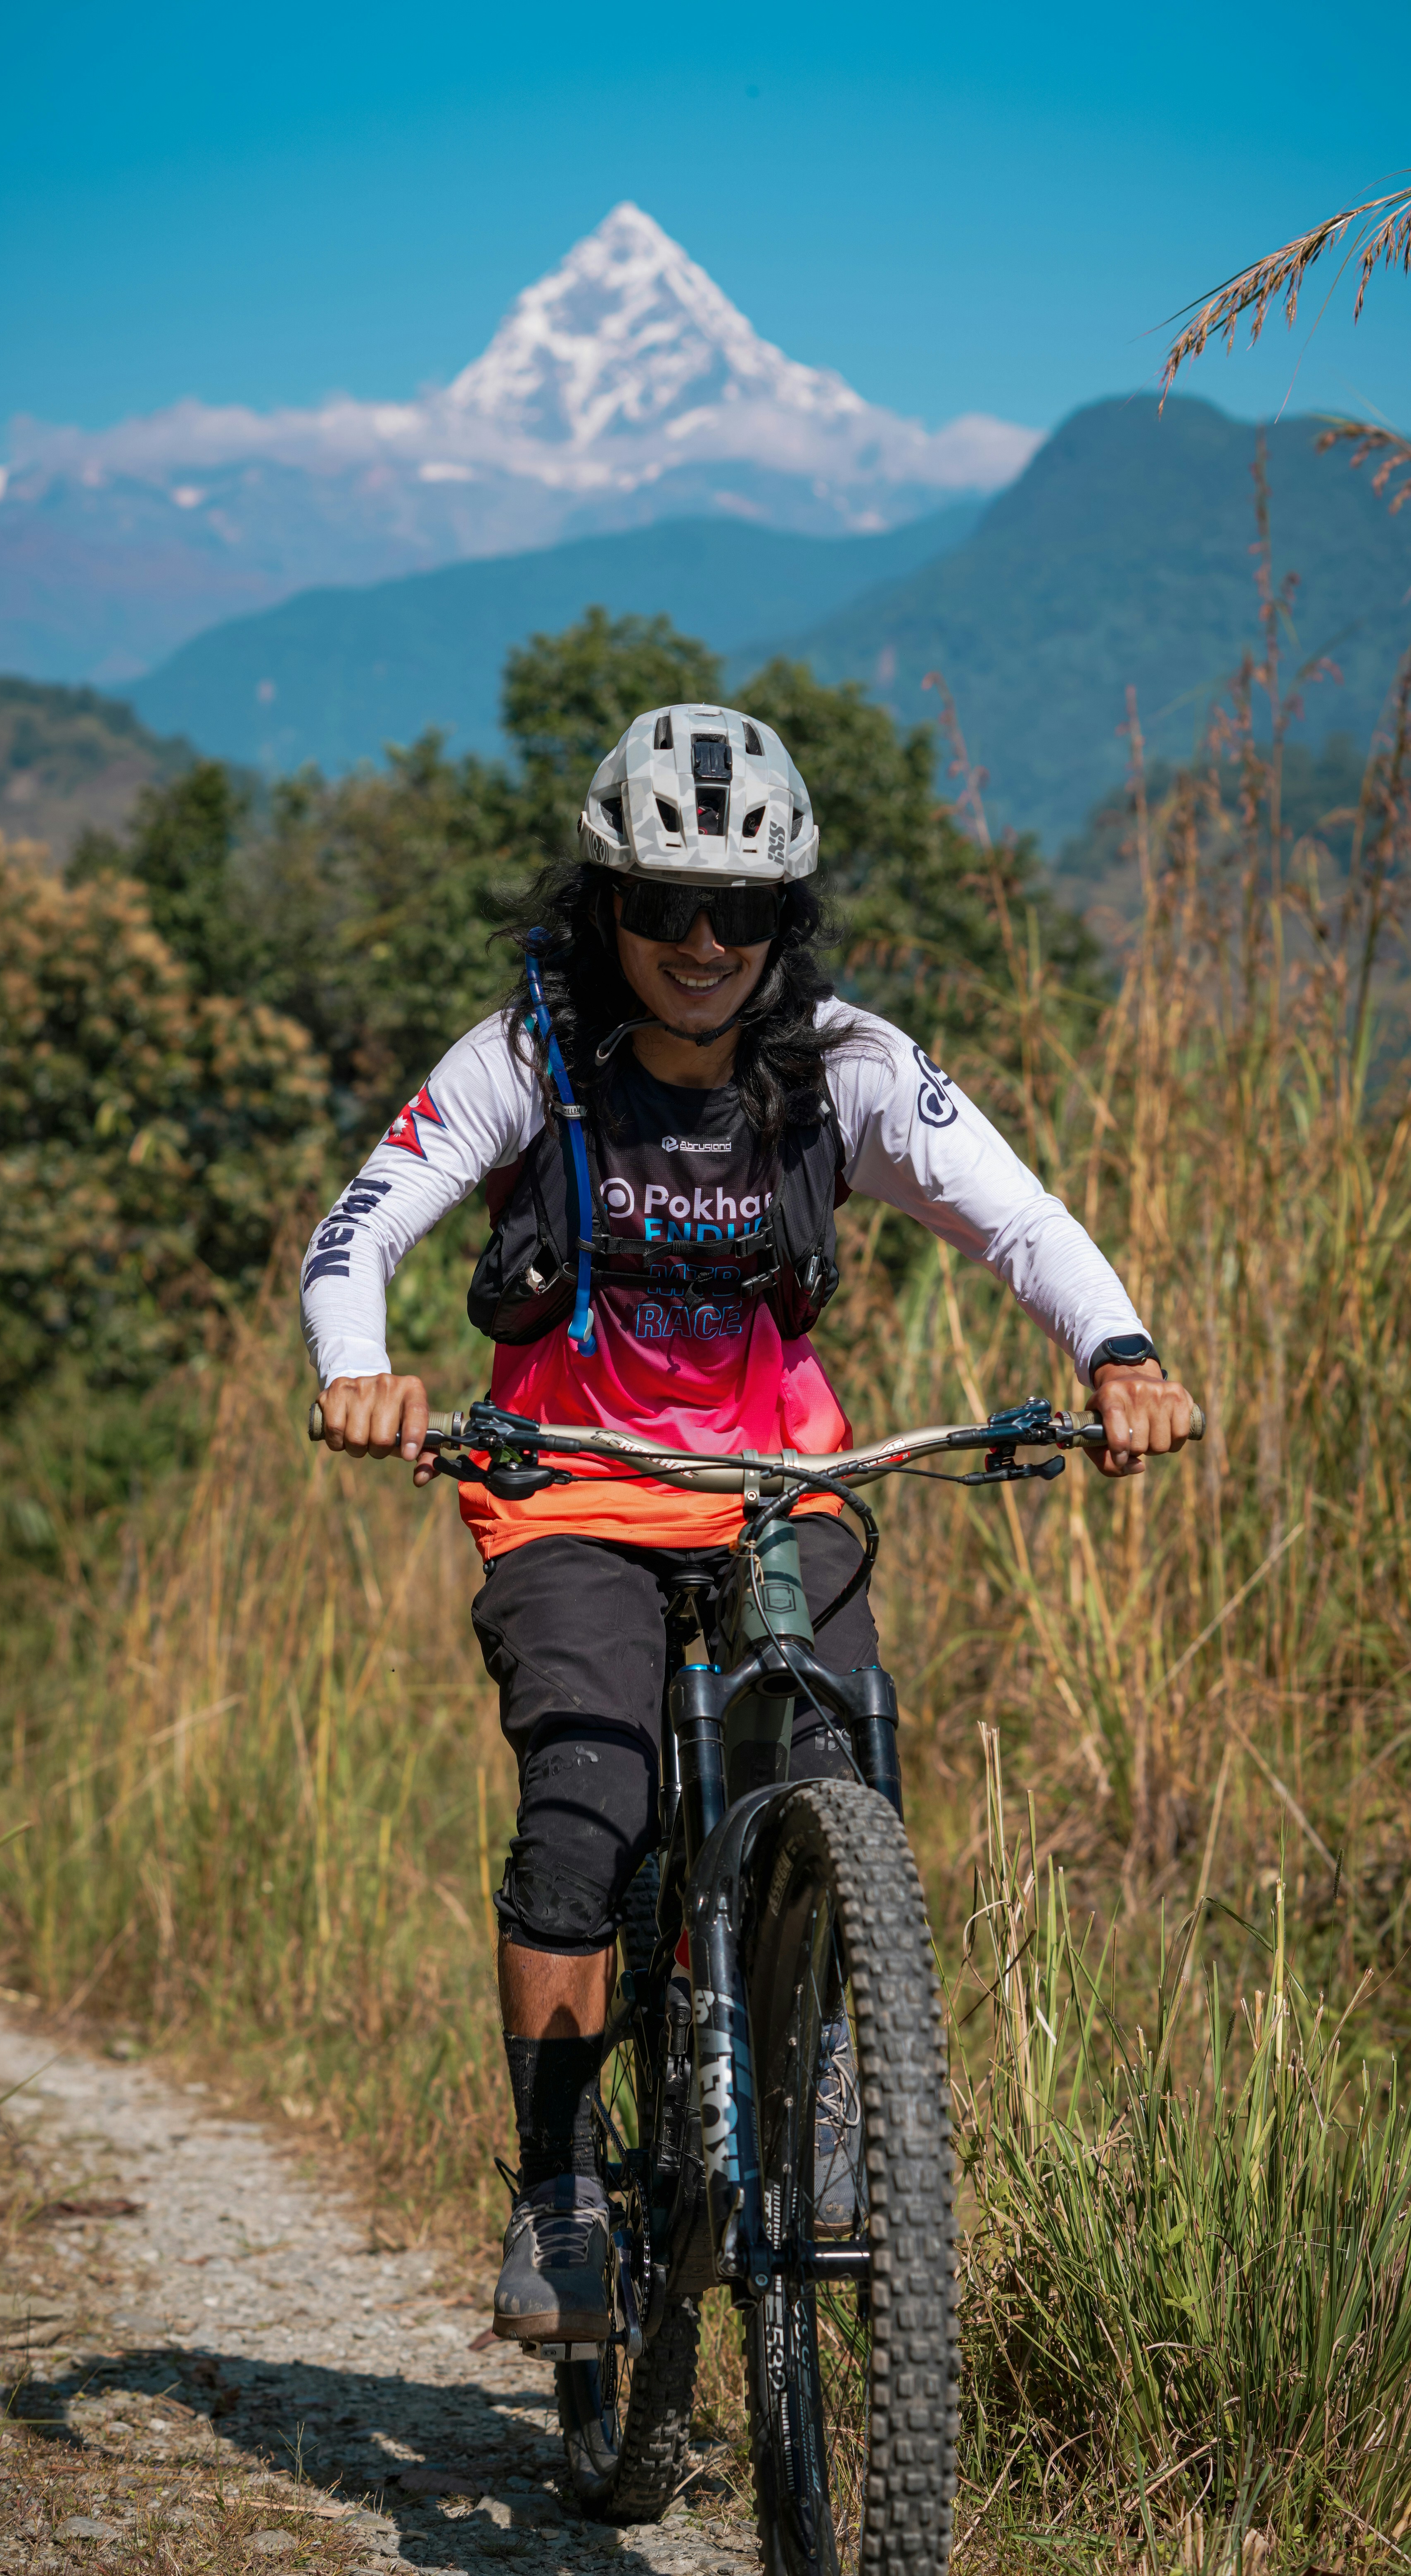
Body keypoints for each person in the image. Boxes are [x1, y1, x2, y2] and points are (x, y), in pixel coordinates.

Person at [303, 701, 1194, 2342]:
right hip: (562, 1489)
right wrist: (358, 1370)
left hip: (780, 1489)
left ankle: (836, 2076)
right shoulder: (526, 1061)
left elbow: (1019, 1219)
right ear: (605, 906)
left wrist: (1118, 1350)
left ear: (786, 918)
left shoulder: (842, 1068)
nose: (700, 942)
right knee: (586, 1804)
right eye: (660, 905)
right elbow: (361, 1230)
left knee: (836, 1771)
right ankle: (560, 2192)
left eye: (742, 910)